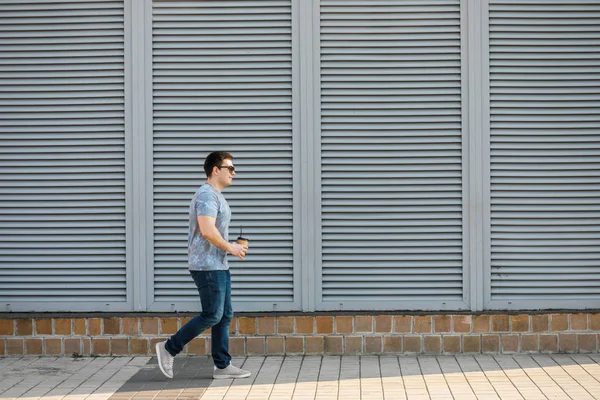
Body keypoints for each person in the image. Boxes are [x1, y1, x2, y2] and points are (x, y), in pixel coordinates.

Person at [156, 151, 251, 380]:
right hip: (207, 266)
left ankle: (222, 366)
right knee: (212, 314)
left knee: (224, 314)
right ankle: (169, 348)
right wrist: (232, 247)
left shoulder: (216, 195)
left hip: (218, 264)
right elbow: (207, 231)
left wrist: (230, 248)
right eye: (230, 168)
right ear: (215, 170)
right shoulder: (207, 195)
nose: (234, 173)